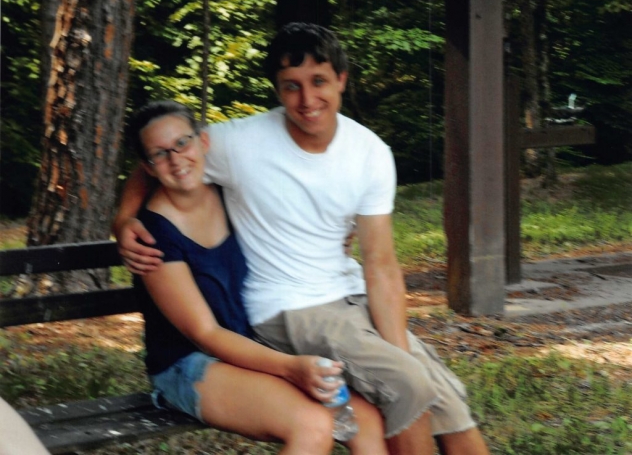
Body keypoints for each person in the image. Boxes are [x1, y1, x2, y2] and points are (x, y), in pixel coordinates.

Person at [114, 23, 490, 455]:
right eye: (292, 86)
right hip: (289, 309)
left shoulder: (369, 152)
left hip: (349, 296)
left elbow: (381, 264)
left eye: (319, 82)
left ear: (341, 80)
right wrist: (124, 219)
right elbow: (158, 159)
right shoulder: (239, 143)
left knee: (449, 406)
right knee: (408, 386)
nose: (307, 100)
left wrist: (398, 351)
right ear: (277, 90)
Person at [122, 100, 386, 455]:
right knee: (312, 426)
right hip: (188, 362)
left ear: (203, 141)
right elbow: (205, 333)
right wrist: (291, 367)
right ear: (148, 167)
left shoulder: (230, 193)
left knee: (365, 419)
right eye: (160, 153)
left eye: (182, 143)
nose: (176, 159)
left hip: (251, 344)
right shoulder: (152, 237)